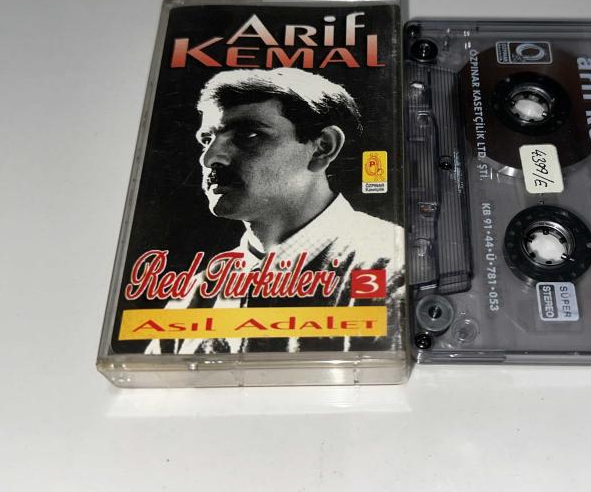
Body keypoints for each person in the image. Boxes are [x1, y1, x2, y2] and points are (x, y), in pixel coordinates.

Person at [146, 67, 404, 355]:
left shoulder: (389, 268)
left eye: (249, 135)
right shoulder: (195, 294)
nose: (210, 159)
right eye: (207, 139)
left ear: (322, 148)